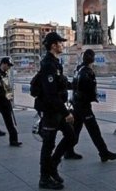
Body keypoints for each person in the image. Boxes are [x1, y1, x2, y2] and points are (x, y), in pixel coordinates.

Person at [65, 49, 116, 162]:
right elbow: (87, 89)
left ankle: (68, 151)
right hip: (83, 105)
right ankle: (104, 152)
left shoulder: (78, 69)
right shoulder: (87, 72)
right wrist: (92, 97)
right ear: (93, 59)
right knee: (94, 130)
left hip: (76, 103)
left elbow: (75, 85)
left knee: (76, 129)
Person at [37, 32, 76, 190]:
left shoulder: (55, 63)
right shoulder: (48, 64)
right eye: (60, 42)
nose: (62, 45)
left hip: (57, 109)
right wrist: (66, 113)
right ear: (53, 45)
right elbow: (51, 94)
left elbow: (60, 85)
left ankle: (52, 165)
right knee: (48, 144)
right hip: (51, 110)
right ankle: (44, 178)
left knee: (71, 137)